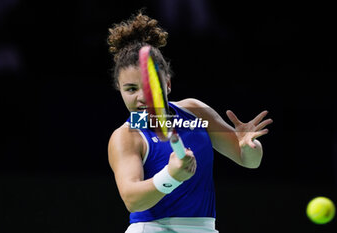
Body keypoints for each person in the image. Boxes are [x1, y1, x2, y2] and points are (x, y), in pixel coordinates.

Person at [107, 11, 272, 233]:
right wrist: (171, 177)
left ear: (167, 85)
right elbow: (132, 199)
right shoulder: (126, 137)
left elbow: (249, 161)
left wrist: (248, 146)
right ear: (120, 91)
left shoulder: (195, 113)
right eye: (130, 89)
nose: (141, 96)